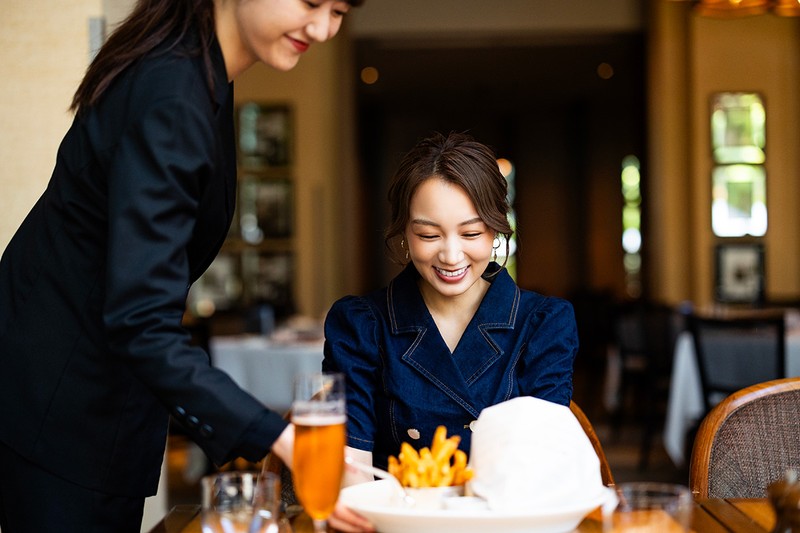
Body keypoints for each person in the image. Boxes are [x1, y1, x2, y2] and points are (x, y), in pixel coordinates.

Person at [0, 1, 372, 532]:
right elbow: (140, 322)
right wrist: (284, 440)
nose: (323, 28)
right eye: (311, 2)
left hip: (94, 397)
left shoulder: (200, 72)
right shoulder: (173, 91)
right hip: (63, 401)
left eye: (339, 11)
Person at [324, 132, 578, 480]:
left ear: (495, 229)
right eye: (429, 235)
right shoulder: (361, 325)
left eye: (471, 234)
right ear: (404, 232)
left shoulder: (543, 323)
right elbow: (352, 471)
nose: (451, 255)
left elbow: (547, 464)